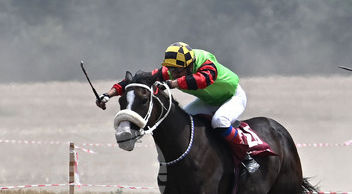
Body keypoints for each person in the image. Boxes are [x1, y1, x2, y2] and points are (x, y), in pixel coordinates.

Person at [95, 42, 260, 174]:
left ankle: (246, 156)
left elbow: (203, 80)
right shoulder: (176, 67)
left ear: (189, 65)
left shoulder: (206, 62)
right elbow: (139, 81)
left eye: (177, 70)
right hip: (209, 101)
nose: (173, 73)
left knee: (219, 121)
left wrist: (172, 83)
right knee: (182, 121)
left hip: (232, 97)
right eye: (171, 70)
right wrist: (108, 95)